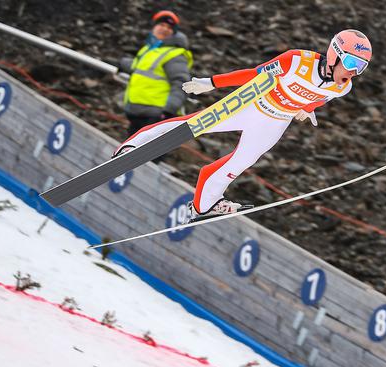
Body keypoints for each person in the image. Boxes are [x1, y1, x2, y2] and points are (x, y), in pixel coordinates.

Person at [113, 29, 372, 223]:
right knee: (192, 125)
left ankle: (204, 205)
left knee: (240, 163)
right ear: (334, 55)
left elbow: (322, 97)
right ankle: (132, 146)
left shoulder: (343, 87)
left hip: (275, 122)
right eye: (351, 63)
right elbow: (254, 73)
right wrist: (212, 82)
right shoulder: (296, 61)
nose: (354, 72)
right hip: (251, 105)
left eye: (361, 67)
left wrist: (307, 110)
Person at [120, 10, 193, 139]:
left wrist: (169, 110)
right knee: (130, 156)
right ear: (154, 27)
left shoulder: (174, 54)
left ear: (173, 33)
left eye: (169, 27)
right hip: (137, 113)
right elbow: (140, 68)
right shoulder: (150, 49)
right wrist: (121, 63)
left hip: (156, 117)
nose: (164, 29)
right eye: (161, 25)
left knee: (146, 157)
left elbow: (181, 82)